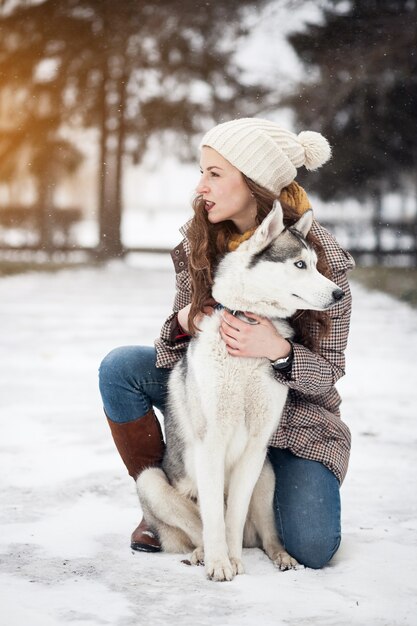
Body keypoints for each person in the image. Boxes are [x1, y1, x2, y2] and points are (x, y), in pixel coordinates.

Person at [99, 117, 354, 569]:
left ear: (253, 183)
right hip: (211, 392)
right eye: (202, 172)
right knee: (121, 367)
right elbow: (170, 353)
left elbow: (329, 372)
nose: (201, 187)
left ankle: (254, 505)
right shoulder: (199, 238)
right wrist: (184, 320)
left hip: (292, 421)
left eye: (214, 174)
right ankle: (169, 507)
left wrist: (278, 350)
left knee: (314, 547)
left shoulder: (321, 260)